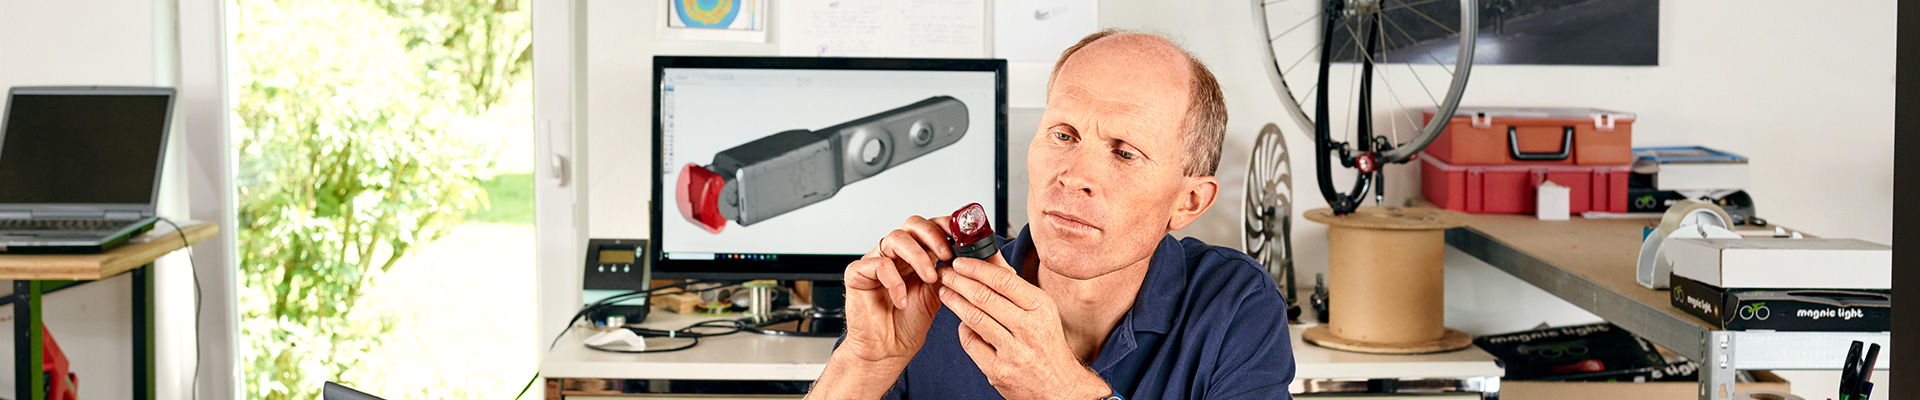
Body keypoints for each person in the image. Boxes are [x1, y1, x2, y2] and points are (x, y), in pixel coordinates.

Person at [807, 30, 1296, 399]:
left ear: (1187, 203)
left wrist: (1062, 390)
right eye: (1063, 134)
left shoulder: (1236, 306)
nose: (1073, 174)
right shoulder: (931, 296)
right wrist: (866, 362)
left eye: (1125, 152)